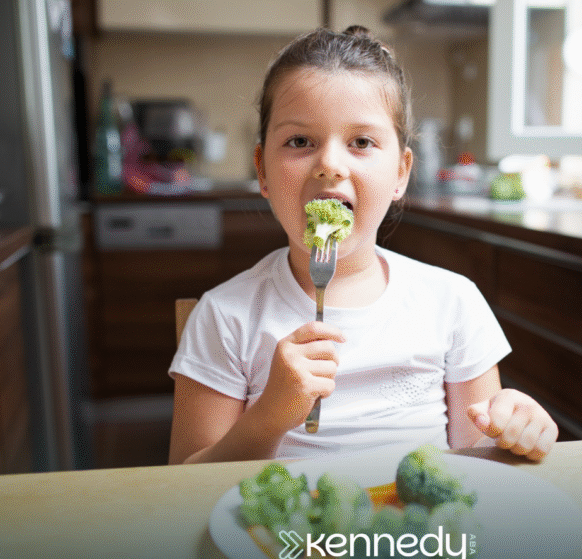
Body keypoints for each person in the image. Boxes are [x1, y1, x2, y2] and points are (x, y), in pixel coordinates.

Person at [168, 26, 558, 465]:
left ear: (401, 172)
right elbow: (186, 481)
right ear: (261, 169)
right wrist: (270, 416)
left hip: (419, 533)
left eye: (361, 142)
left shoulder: (453, 302)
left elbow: (478, 463)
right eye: (300, 141)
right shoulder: (225, 317)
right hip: (288, 535)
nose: (330, 165)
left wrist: (514, 429)